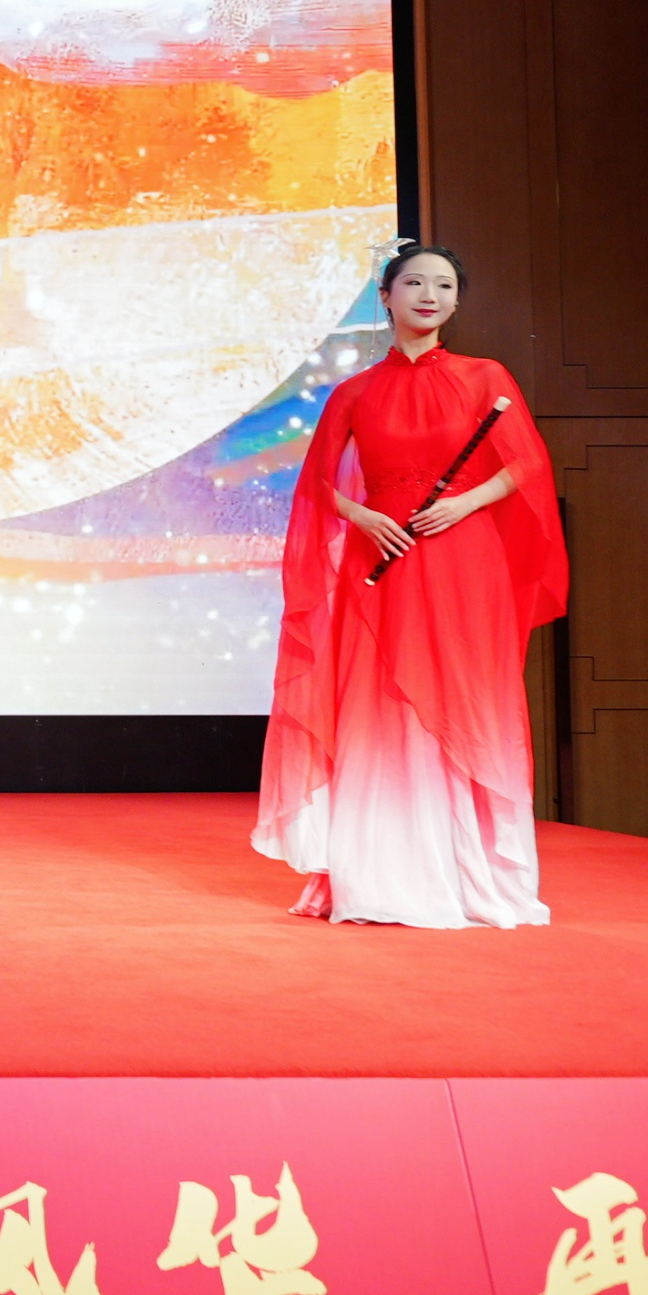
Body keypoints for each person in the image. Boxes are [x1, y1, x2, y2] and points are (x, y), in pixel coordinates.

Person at [255, 239, 569, 928]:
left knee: (464, 694)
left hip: (464, 558)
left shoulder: (486, 376)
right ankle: (382, 872)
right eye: (416, 283)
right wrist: (365, 516)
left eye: (445, 286)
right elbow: (317, 486)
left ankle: (469, 875)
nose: (431, 296)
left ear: (456, 301)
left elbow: (526, 465)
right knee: (380, 703)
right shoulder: (355, 392)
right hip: (384, 558)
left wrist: (465, 502)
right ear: (387, 297)